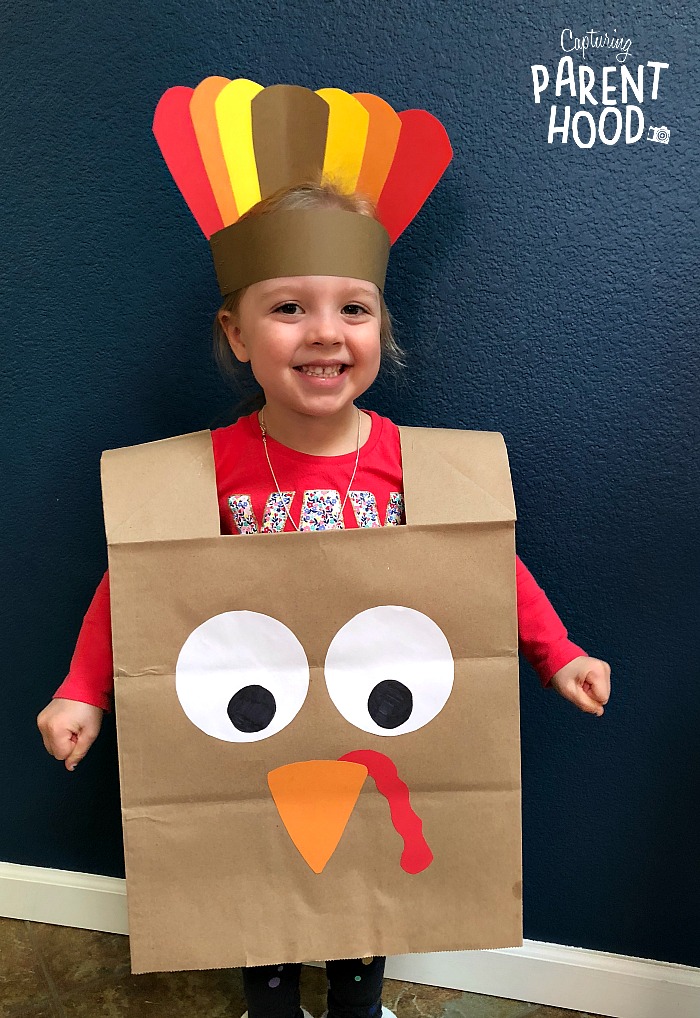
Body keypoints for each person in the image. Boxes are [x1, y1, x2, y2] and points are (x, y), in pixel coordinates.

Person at [37, 180, 610, 1018]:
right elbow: (136, 585)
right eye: (288, 309)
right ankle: (268, 1008)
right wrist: (83, 689)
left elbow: (488, 568)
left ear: (381, 330)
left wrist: (557, 653)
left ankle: (355, 1006)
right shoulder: (203, 473)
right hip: (247, 737)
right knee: (257, 873)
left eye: (354, 310)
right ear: (235, 333)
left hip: (372, 733)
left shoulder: (417, 468)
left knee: (362, 875)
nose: (325, 334)